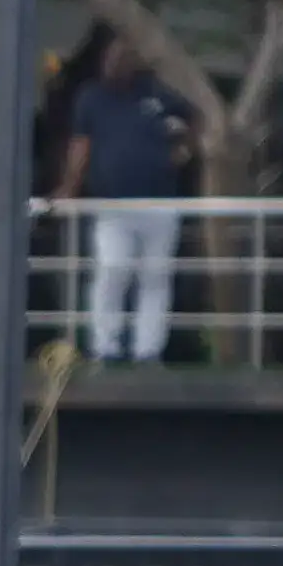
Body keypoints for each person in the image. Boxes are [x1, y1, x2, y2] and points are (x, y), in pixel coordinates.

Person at [57, 36, 189, 368]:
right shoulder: (91, 98)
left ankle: (148, 350)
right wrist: (69, 187)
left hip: (160, 204)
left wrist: (183, 151)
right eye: (111, 57)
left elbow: (192, 124)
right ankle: (106, 347)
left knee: (155, 278)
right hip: (111, 206)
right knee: (111, 271)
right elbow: (80, 145)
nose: (116, 63)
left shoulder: (159, 94)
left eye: (124, 57)